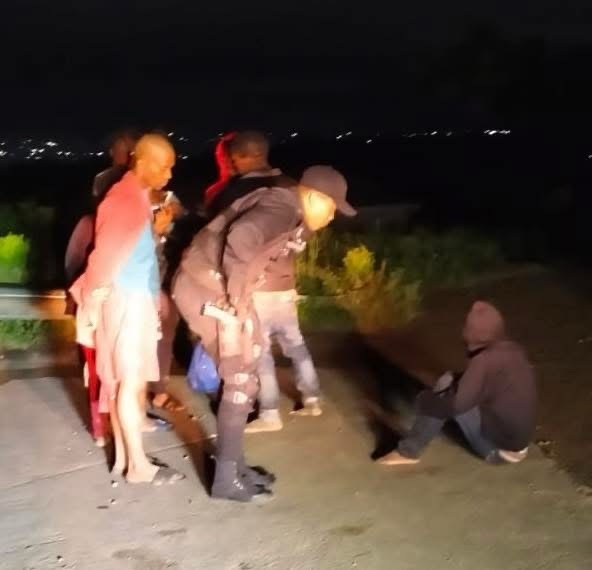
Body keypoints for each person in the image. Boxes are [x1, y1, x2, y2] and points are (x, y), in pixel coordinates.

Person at [172, 146, 356, 501]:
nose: (333, 215)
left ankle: (235, 465)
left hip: (213, 287)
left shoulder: (289, 209)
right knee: (239, 379)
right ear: (314, 197)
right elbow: (240, 239)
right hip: (205, 290)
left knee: (251, 367)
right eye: (332, 207)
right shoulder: (280, 208)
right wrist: (238, 302)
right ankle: (226, 481)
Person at [70, 133, 184, 485]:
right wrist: (92, 304)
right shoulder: (123, 200)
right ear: (142, 161)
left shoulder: (134, 196)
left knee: (121, 384)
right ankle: (138, 466)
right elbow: (102, 260)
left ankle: (123, 458)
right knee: (130, 385)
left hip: (134, 300)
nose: (168, 175)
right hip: (126, 303)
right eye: (164, 167)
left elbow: (136, 254)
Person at [203, 131, 324, 433]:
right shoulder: (292, 186)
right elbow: (306, 228)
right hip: (286, 282)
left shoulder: (237, 192)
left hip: (255, 286)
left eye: (233, 159)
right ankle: (312, 398)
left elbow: (222, 238)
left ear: (240, 157)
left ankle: (269, 413)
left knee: (260, 351)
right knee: (295, 342)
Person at [377, 301, 537, 466]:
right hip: (518, 444)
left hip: (497, 452)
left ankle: (409, 451)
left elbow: (453, 403)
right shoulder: (513, 350)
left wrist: (427, 400)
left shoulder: (483, 361)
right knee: (451, 381)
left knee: (445, 390)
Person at [92, 130, 139, 206]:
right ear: (111, 152)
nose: (125, 157)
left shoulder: (138, 177)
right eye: (121, 151)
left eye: (128, 152)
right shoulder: (101, 179)